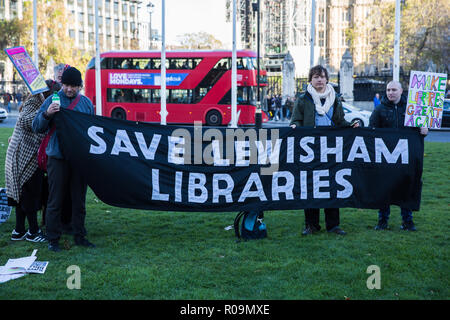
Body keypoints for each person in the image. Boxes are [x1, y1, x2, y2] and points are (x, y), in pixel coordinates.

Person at [290, 65, 359, 236]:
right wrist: (294, 126)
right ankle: (311, 225)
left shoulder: (334, 98)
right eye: (315, 77)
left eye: (321, 77)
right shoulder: (303, 99)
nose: (319, 80)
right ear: (310, 80)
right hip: (310, 150)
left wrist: (351, 126)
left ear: (327, 79)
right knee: (310, 187)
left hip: (330, 149)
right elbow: (296, 120)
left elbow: (339, 121)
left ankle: (333, 225)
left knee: (332, 185)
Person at [32, 67, 95, 252]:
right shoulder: (52, 100)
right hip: (57, 158)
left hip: (78, 158)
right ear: (61, 83)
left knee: (79, 199)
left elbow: (92, 131)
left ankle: (79, 235)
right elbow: (37, 127)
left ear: (80, 86)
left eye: (74, 86)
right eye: (66, 85)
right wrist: (47, 114)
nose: (69, 89)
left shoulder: (85, 104)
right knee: (55, 199)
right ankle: (53, 239)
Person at [6, 80, 61, 242]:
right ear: (47, 94)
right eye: (54, 95)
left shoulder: (36, 102)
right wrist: (46, 114)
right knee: (30, 194)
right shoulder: (34, 103)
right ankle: (33, 232)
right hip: (24, 157)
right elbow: (26, 121)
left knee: (22, 194)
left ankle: (19, 230)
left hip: (21, 155)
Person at [369, 80, 428, 231]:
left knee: (406, 187)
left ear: (401, 91)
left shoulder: (412, 109)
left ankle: (407, 221)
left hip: (406, 157)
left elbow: (419, 130)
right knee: (384, 188)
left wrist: (424, 130)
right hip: (386, 157)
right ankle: (382, 221)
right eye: (388, 90)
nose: (390, 93)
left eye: (394, 90)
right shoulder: (379, 109)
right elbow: (371, 131)